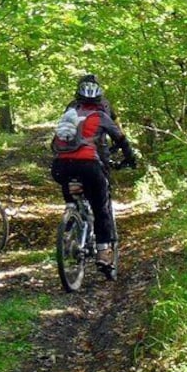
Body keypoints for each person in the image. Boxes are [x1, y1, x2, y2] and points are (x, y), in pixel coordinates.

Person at [51, 106, 136, 269]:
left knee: (71, 190)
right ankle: (103, 251)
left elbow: (53, 146)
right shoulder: (100, 116)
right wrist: (130, 159)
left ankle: (70, 218)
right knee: (100, 207)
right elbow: (121, 138)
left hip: (60, 167)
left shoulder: (69, 116)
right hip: (88, 165)